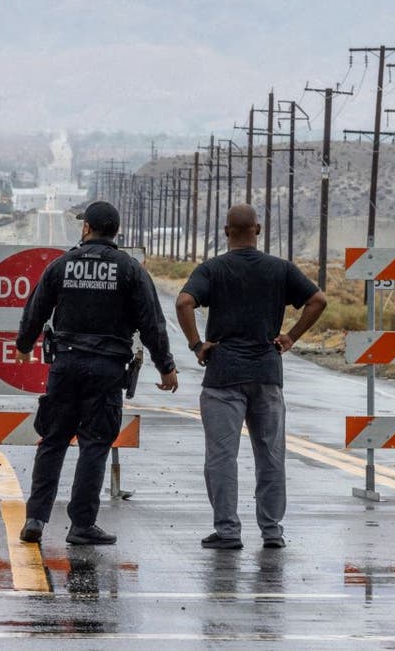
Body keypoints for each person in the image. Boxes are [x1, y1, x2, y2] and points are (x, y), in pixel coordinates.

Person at [16, 200, 179, 545]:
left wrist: (24, 344)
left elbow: (36, 308)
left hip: (65, 364)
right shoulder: (130, 270)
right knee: (95, 444)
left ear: (87, 228)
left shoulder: (63, 265)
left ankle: (35, 518)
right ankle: (81, 525)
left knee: (53, 440)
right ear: (115, 231)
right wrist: (165, 366)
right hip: (106, 370)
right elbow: (152, 323)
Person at [175, 204, 327, 550]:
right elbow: (317, 300)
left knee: (222, 456)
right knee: (270, 454)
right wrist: (290, 336)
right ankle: (272, 531)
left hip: (223, 374)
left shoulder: (212, 269)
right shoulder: (280, 269)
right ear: (258, 229)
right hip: (267, 373)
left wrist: (198, 345)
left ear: (226, 231)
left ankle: (228, 531)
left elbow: (184, 303)